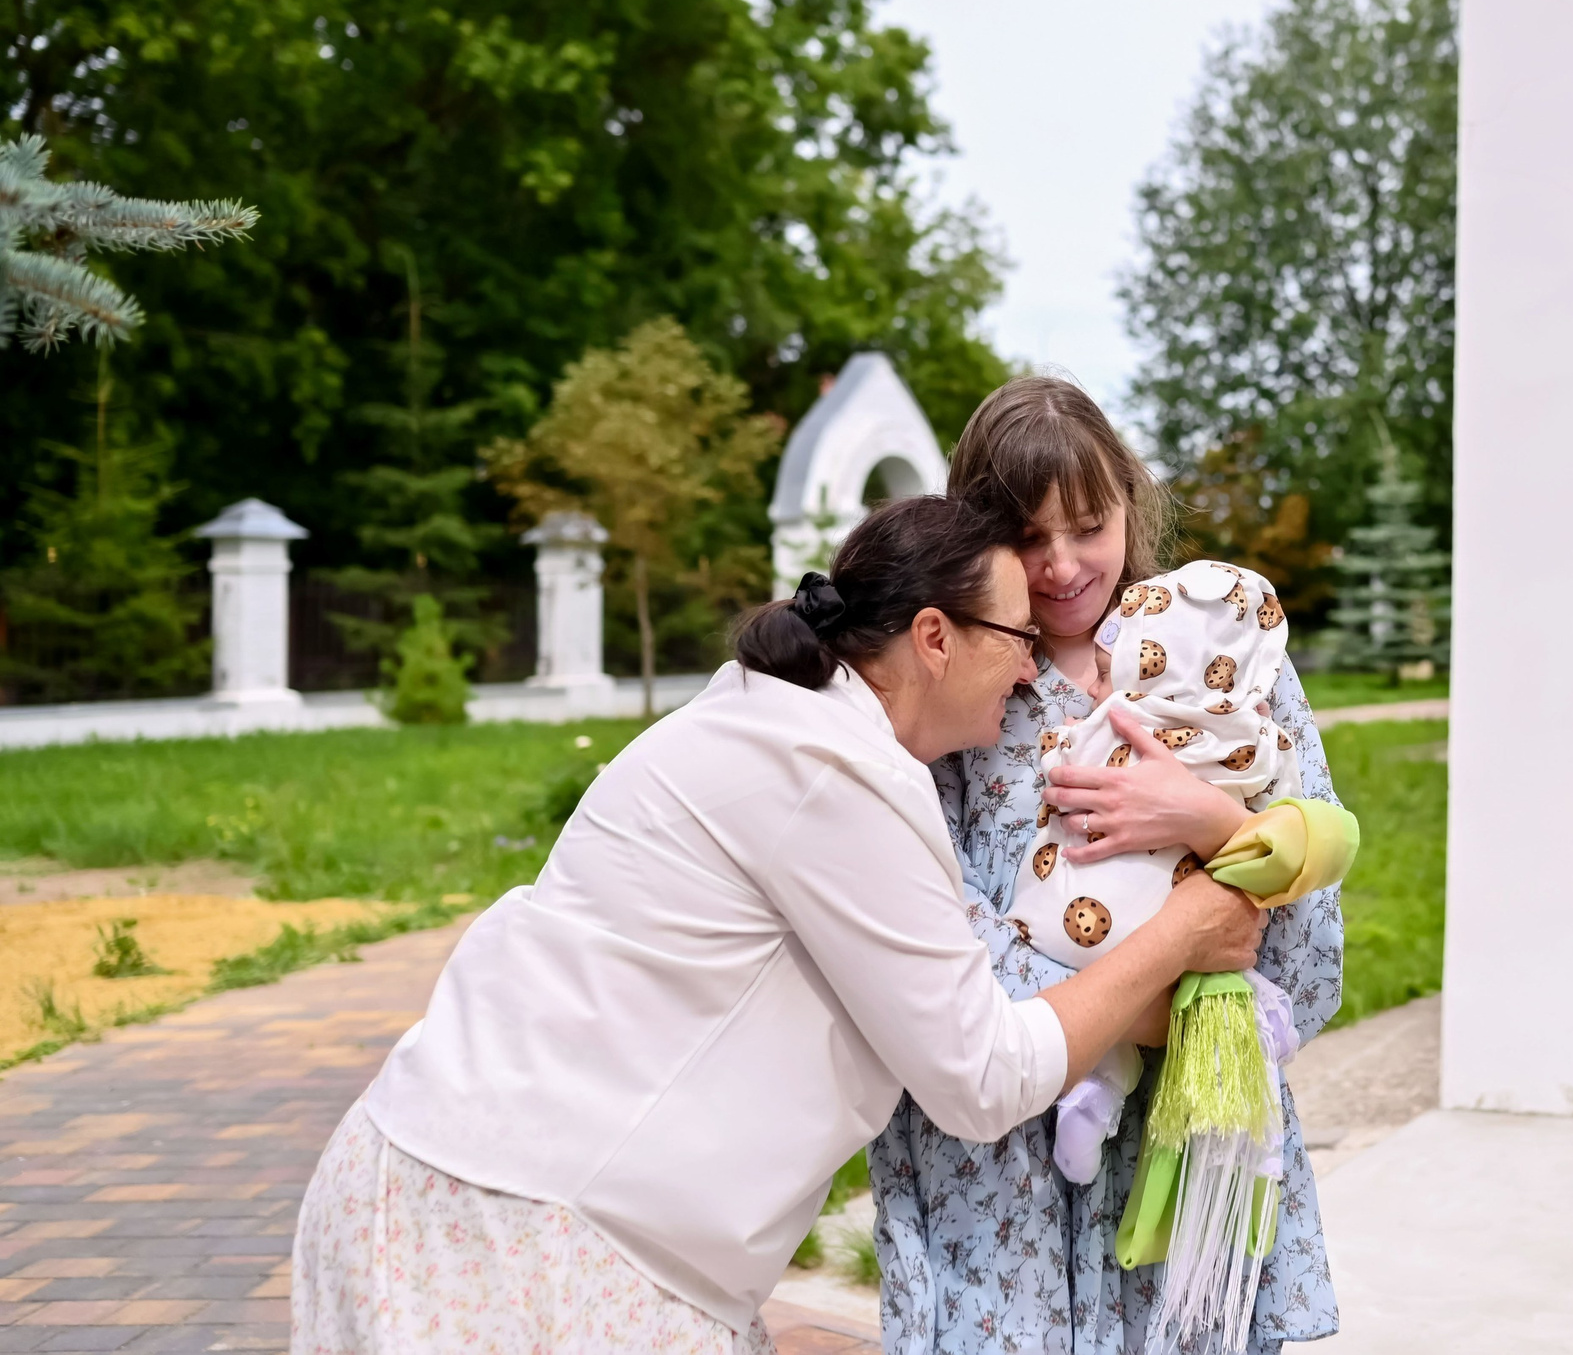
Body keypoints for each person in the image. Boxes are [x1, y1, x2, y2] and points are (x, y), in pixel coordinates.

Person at [291, 494, 1267, 1355]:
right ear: (934, 636)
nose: (1025, 674)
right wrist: (1182, 929)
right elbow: (981, 1076)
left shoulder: (786, 720)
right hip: (519, 1224)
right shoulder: (831, 772)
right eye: (1015, 638)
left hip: (499, 1191)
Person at [868, 377, 1344, 1355]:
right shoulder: (953, 685)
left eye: (1086, 525)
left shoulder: (1228, 663)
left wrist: (1208, 819)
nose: (1059, 565)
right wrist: (1139, 1008)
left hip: (1188, 1153)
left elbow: (1309, 960)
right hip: (1005, 1183)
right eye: (1025, 537)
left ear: (1130, 501)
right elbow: (936, 948)